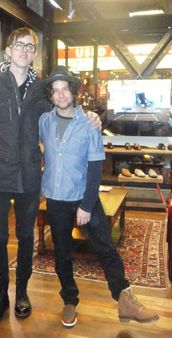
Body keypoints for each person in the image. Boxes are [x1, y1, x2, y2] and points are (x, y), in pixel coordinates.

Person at [0, 27, 101, 325]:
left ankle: (23, 292)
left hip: (29, 175)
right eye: (19, 45)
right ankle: (0, 294)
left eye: (30, 46)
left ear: (34, 53)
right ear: (8, 50)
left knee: (26, 236)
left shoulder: (42, 89)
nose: (25, 50)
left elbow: (64, 108)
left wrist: (90, 116)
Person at [39, 65, 159, 328]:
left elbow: (95, 167)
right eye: (55, 90)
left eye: (65, 89)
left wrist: (85, 204)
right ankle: (69, 300)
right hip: (56, 199)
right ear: (51, 94)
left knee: (106, 247)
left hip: (84, 198)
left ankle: (125, 300)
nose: (60, 95)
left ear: (73, 92)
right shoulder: (44, 121)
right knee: (62, 254)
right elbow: (24, 140)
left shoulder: (89, 123)